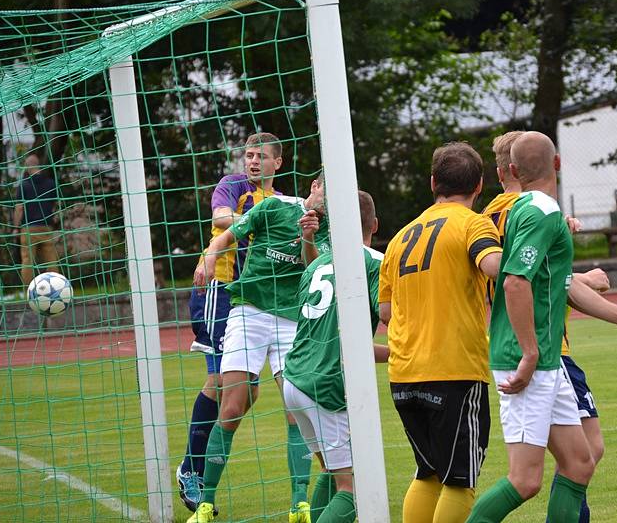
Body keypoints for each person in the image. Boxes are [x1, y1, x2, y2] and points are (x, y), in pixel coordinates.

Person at [481, 130, 617, 523]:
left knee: (580, 462)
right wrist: (528, 352)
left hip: (548, 360)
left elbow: (563, 287)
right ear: (558, 163)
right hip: (527, 357)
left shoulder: (531, 211)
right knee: (525, 480)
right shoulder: (541, 213)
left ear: (510, 170)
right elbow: (514, 281)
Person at [187, 173, 329, 523]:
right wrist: (208, 258)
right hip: (248, 313)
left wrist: (309, 236)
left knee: (296, 407)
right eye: (328, 190)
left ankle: (300, 506)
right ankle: (205, 505)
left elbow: (312, 266)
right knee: (232, 406)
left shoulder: (328, 230)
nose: (329, 200)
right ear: (314, 187)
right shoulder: (273, 206)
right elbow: (225, 237)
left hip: (291, 323)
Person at [379, 141, 503, 523]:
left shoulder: (400, 238)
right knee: (459, 481)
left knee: (428, 473)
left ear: (432, 182)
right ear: (479, 186)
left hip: (404, 374)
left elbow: (384, 311)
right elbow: (495, 266)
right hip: (453, 370)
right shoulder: (473, 223)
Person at [176, 132, 283, 511]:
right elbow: (220, 217)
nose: (253, 161)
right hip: (217, 289)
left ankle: (196, 465)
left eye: (261, 156)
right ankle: (192, 469)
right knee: (221, 383)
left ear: (277, 163)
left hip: (248, 299)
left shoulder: (279, 201)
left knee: (247, 392)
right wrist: (254, 219)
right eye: (249, 155)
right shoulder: (233, 185)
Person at [283, 190, 389, 523]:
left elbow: (338, 341)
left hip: (295, 379)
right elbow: (386, 317)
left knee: (332, 470)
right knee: (355, 489)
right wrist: (407, 352)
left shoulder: (316, 265)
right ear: (374, 224)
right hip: (326, 385)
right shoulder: (374, 263)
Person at [13, 153, 59, 286]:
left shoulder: (23, 185)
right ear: (39, 165)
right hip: (46, 226)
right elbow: (54, 204)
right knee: (51, 260)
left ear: (27, 168)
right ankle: (57, 288)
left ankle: (29, 290)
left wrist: (16, 228)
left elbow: (19, 208)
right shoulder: (51, 183)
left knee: (27, 261)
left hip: (29, 228)